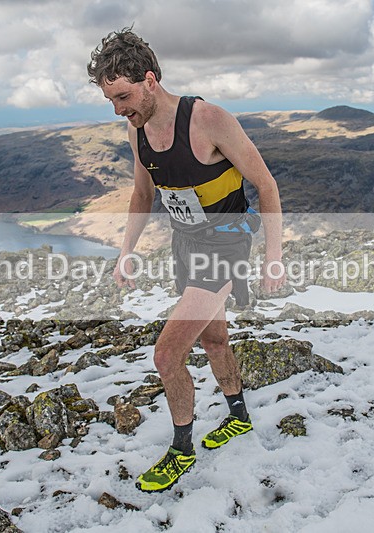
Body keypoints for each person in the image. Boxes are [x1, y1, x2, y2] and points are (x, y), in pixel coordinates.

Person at [87, 28, 285, 493]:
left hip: (226, 244)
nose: (119, 109)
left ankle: (181, 450)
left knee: (167, 353)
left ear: (150, 79)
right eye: (111, 101)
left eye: (124, 96)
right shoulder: (137, 130)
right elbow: (142, 193)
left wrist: (272, 256)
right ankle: (238, 415)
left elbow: (267, 185)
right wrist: (126, 252)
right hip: (186, 245)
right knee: (214, 339)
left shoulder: (209, 119)